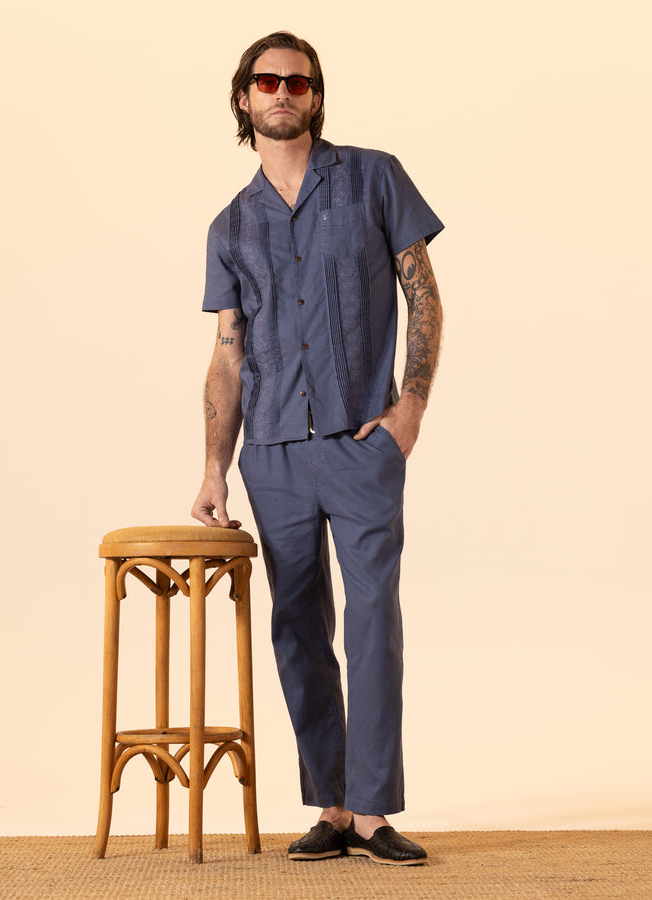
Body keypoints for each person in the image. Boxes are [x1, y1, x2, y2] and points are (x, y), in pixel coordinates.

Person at [191, 31, 443, 866]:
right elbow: (228, 354)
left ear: (316, 96)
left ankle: (373, 812)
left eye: (298, 81)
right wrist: (213, 469)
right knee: (298, 625)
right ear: (244, 98)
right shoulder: (230, 225)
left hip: (362, 441)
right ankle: (332, 806)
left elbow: (422, 291)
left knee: (373, 621)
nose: (283, 92)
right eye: (267, 80)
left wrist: (410, 407)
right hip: (271, 451)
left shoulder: (373, 176)